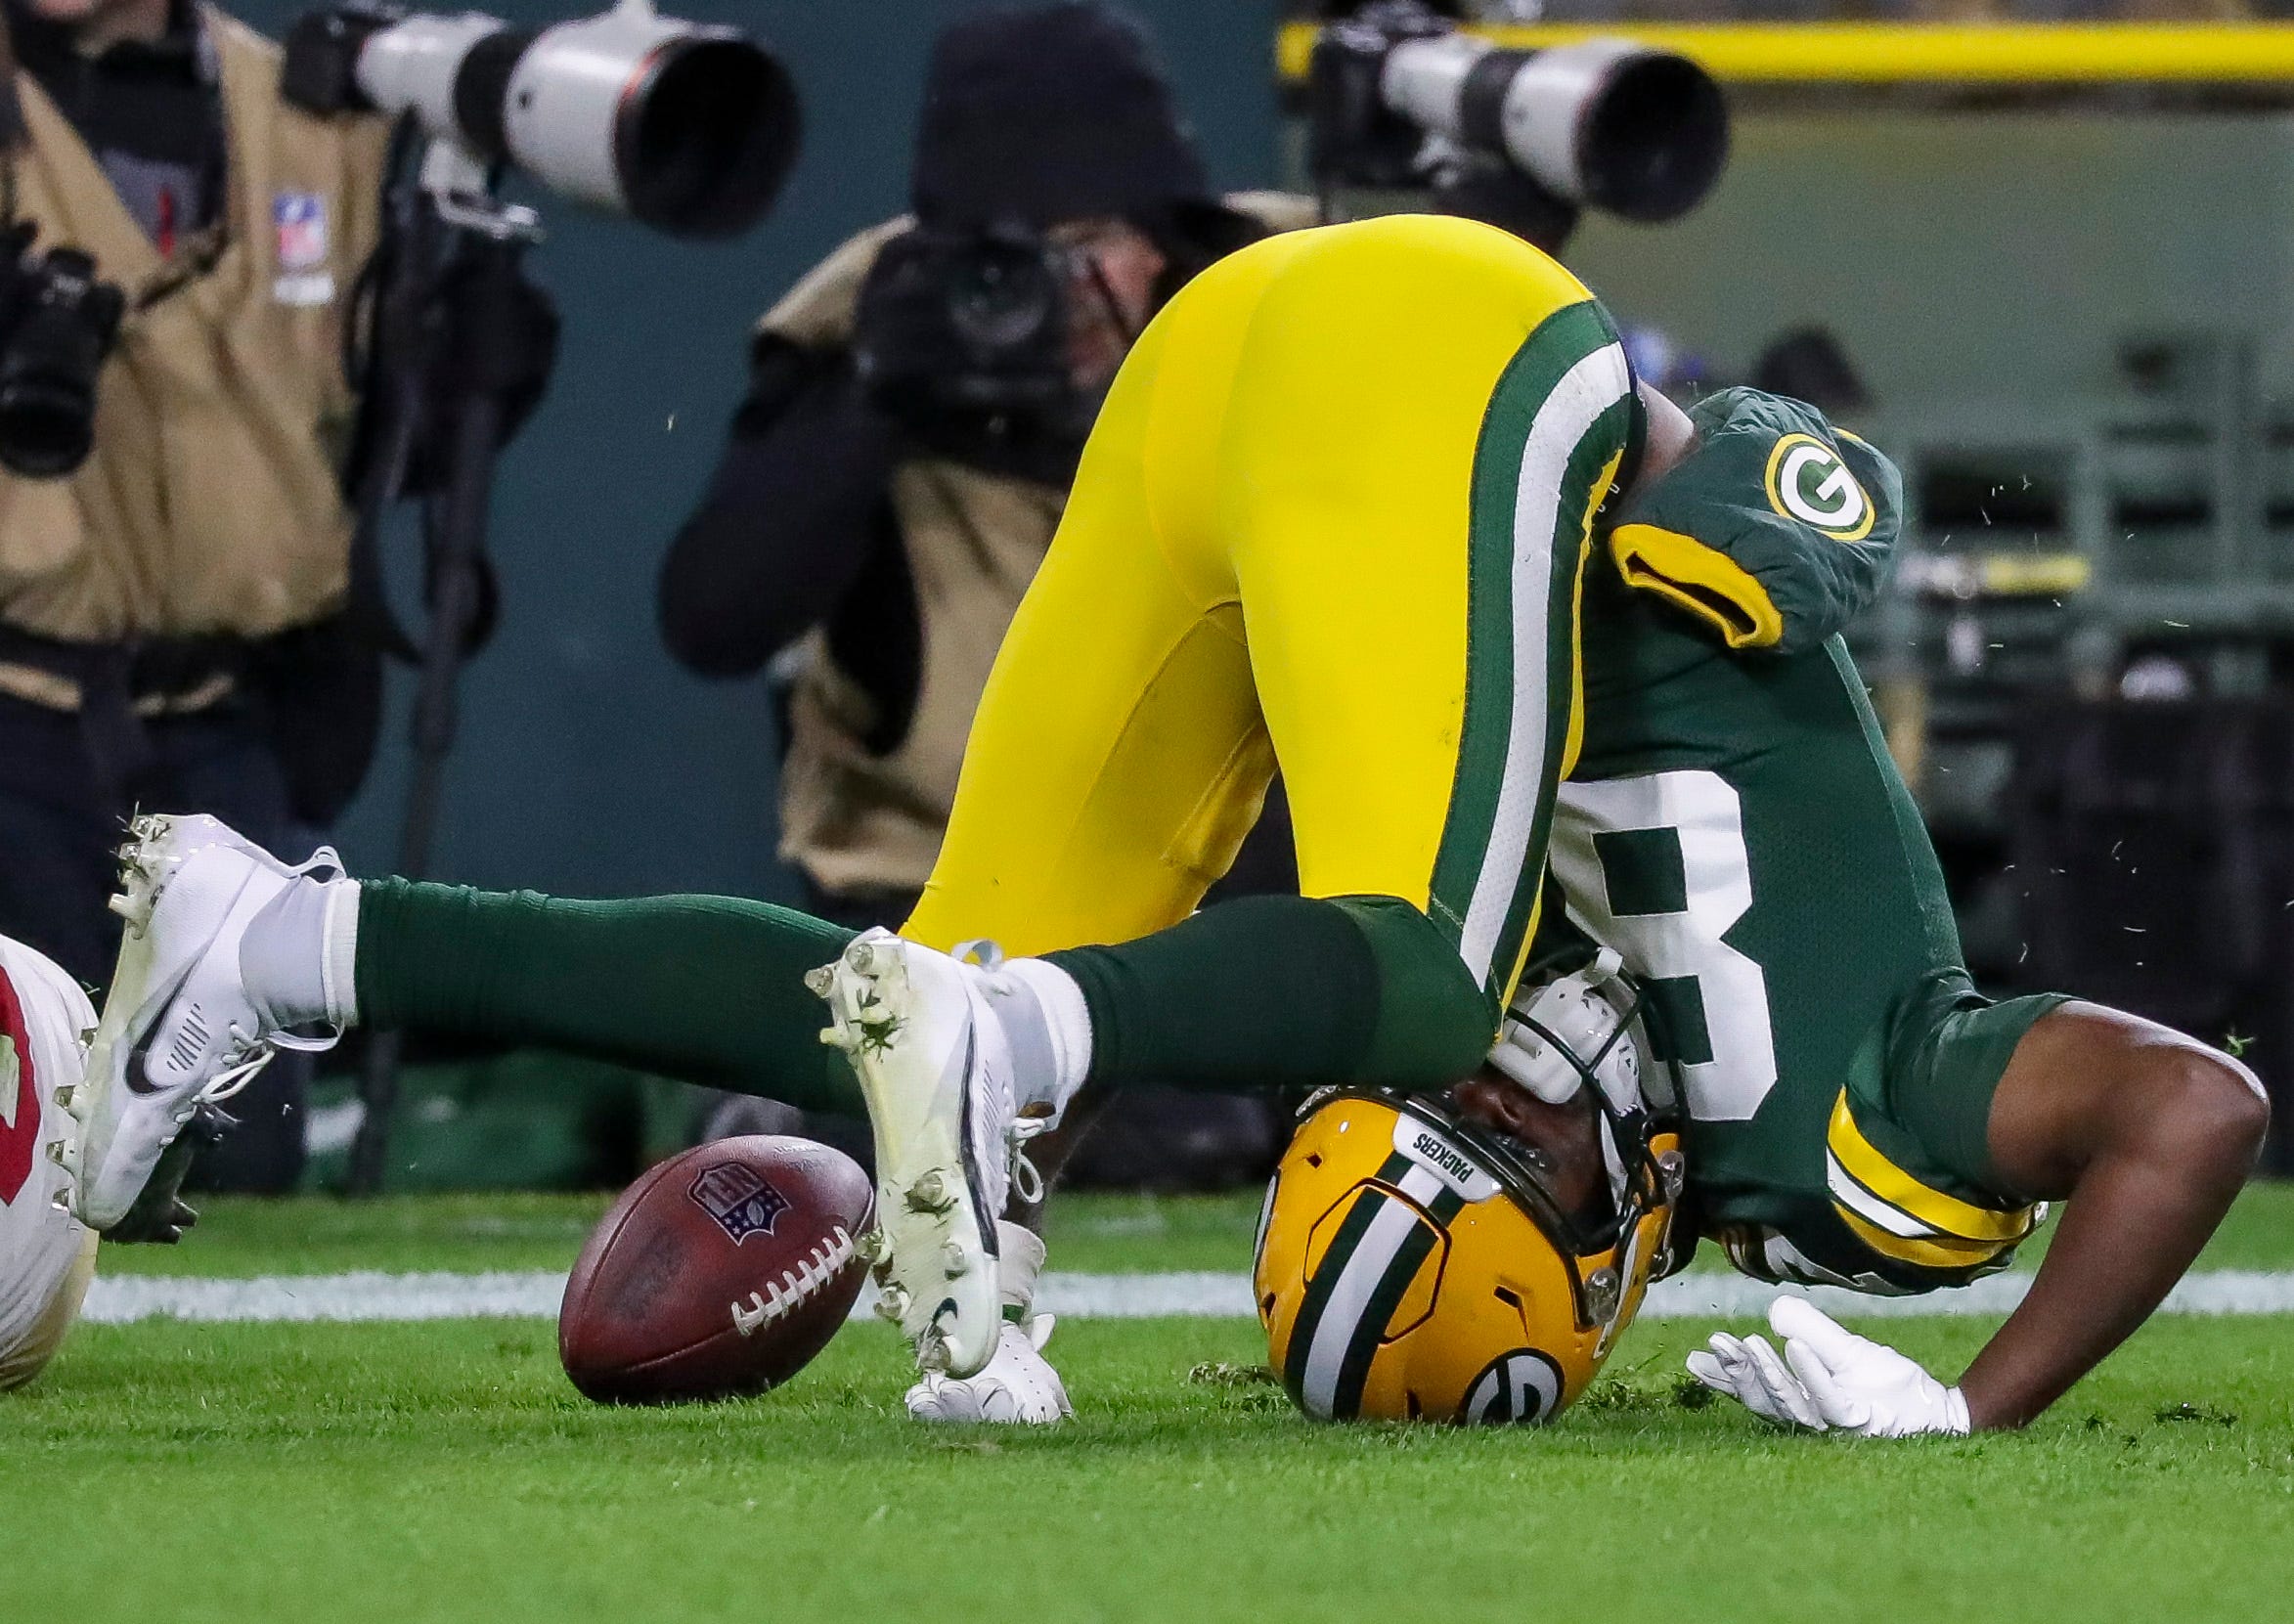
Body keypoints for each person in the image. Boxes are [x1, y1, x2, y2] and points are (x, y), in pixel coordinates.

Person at [43, 216, 2266, 1433]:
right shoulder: (1886, 1142)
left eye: (1449, 1135)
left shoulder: (1682, 1177)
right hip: (1454, 349)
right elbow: (2192, 1107)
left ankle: (286, 943)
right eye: (1509, 1151)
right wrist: (1980, 1403)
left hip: (1234, 353)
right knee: (1401, 962)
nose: (1489, 1103)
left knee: (892, 993)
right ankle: (1018, 1060)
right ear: (1588, 1252)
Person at [0, 0, 389, 1190]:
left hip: (228, 724)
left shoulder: (312, 113)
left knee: (240, 1161)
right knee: (27, 1162)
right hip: (13, 713)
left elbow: (342, 411)